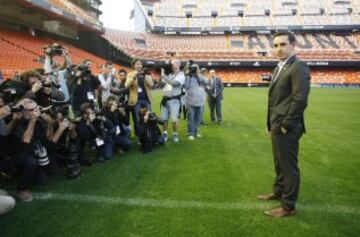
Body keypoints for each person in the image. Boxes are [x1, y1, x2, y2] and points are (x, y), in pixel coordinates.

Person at [258, 31, 311, 217]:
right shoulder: (279, 67)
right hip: (276, 124)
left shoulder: (299, 67)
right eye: (275, 45)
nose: (278, 49)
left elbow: (300, 100)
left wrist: (285, 125)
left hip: (287, 127)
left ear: (293, 45)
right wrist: (269, 123)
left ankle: (288, 206)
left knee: (289, 166)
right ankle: (279, 191)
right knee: (279, 163)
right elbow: (274, 100)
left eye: (282, 44)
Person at [125, 59, 154, 136]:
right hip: (136, 101)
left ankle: (150, 135)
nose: (139, 65)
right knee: (138, 119)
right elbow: (126, 85)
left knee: (149, 117)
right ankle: (141, 136)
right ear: (134, 65)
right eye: (137, 64)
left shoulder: (147, 74)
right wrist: (133, 77)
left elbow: (151, 85)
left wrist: (145, 77)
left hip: (146, 100)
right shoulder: (130, 74)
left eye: (140, 64)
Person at [159, 59, 185, 142]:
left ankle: (175, 134)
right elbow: (162, 84)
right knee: (164, 119)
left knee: (174, 120)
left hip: (174, 100)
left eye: (173, 64)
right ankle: (165, 133)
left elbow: (174, 83)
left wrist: (164, 76)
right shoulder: (169, 75)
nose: (171, 65)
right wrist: (161, 76)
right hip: (165, 99)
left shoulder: (181, 75)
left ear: (178, 65)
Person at [184, 64, 209, 140]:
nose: (195, 70)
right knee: (190, 118)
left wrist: (198, 75)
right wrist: (188, 75)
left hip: (200, 101)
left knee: (198, 118)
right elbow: (186, 86)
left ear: (198, 69)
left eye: (196, 68)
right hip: (190, 101)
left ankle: (196, 132)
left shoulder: (201, 76)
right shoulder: (189, 77)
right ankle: (190, 133)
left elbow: (206, 82)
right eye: (193, 68)